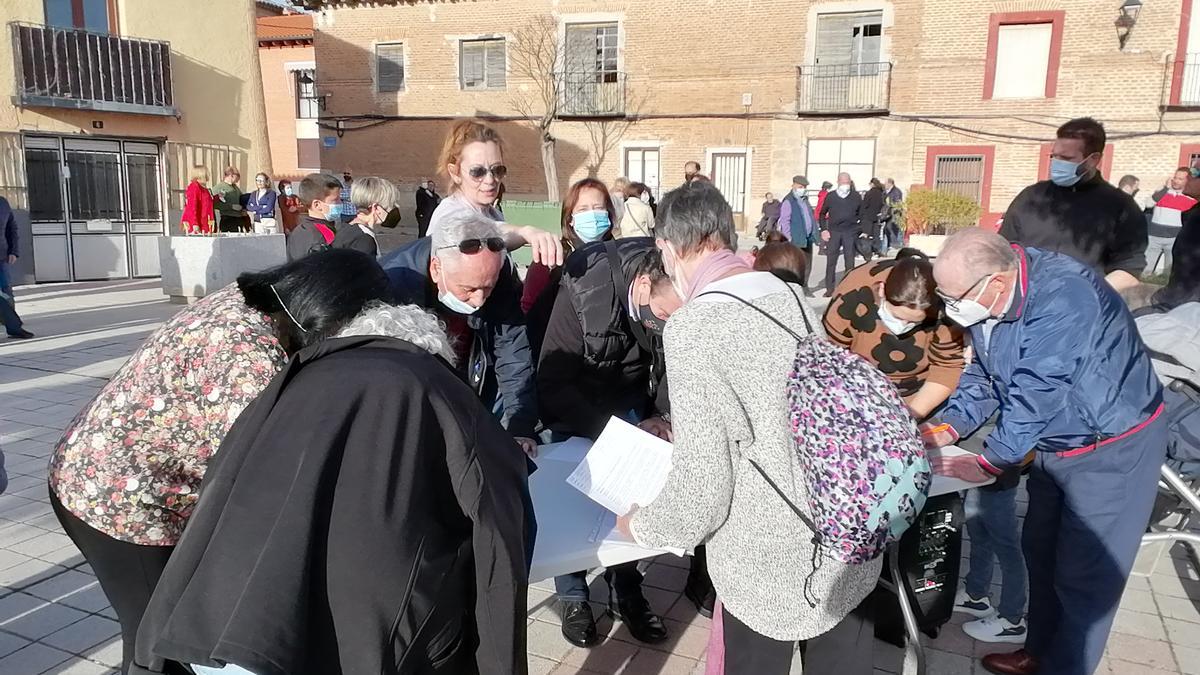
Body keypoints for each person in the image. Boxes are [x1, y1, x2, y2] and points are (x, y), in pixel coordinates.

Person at [132, 254, 532, 675]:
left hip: (223, 627)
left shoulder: (295, 377)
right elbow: (502, 508)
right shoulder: (434, 385)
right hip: (361, 641)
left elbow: (221, 483)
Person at [48, 250, 392, 674]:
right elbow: (268, 472)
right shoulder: (248, 359)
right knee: (154, 640)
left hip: (116, 469)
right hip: (117, 500)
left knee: (167, 630)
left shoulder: (258, 299)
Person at [619, 181, 881, 675]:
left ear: (666, 250)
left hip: (771, 561)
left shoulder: (694, 327)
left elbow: (704, 486)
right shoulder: (791, 296)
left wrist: (641, 526)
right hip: (847, 532)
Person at [924, 228, 1165, 675]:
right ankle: (1039, 653)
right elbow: (985, 380)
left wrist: (993, 459)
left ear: (994, 283)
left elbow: (1038, 389)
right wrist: (943, 429)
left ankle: (1066, 666)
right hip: (1056, 444)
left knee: (1084, 577)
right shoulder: (990, 298)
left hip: (1110, 447)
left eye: (953, 296)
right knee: (1041, 551)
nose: (949, 307)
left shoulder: (1063, 295)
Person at [538, 238, 685, 648]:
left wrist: (662, 414)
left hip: (630, 399)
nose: (663, 324)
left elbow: (673, 361)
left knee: (631, 499)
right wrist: (606, 431)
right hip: (576, 403)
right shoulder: (585, 287)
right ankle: (573, 596)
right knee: (573, 501)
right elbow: (552, 378)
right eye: (660, 315)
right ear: (641, 285)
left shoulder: (673, 297)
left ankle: (627, 587)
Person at [379, 209, 539, 457]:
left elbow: (512, 349)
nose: (479, 300)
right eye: (469, 289)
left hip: (472, 379)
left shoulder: (493, 270)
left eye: (488, 288)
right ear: (436, 268)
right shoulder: (393, 285)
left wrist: (520, 425)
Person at [999, 117, 1147, 292]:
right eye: (1055, 156)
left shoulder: (1122, 208)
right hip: (1024, 302)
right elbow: (1002, 250)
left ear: (1093, 159)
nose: (1057, 163)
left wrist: (1088, 297)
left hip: (1083, 307)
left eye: (1067, 158)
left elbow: (1128, 270)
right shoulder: (1030, 197)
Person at [822, 249, 966, 419]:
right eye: (897, 316)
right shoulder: (854, 292)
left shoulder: (944, 310)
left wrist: (909, 416)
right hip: (854, 388)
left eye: (914, 322)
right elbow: (828, 356)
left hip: (916, 393)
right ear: (882, 290)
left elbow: (947, 367)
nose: (903, 326)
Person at [425, 119, 562, 267]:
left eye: (497, 170)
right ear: (455, 173)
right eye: (477, 172)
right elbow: (480, 233)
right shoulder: (449, 213)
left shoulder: (493, 214)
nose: (490, 180)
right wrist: (525, 232)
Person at [522, 178, 617, 322]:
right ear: (570, 218)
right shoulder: (551, 256)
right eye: (583, 209)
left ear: (608, 213)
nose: (592, 214)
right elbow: (529, 306)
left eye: (598, 207)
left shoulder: (620, 254)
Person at [1153, 162, 1200, 309]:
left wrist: (1168, 299)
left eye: (1194, 173)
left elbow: (1190, 273)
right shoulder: (1194, 214)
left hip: (1187, 310)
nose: (1188, 179)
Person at [1145, 167, 1198, 276]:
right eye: (1175, 177)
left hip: (1174, 239)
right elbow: (1148, 204)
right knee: (1145, 271)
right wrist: (1165, 189)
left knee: (1170, 273)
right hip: (1154, 237)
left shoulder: (1191, 200)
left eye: (1180, 179)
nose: (1176, 181)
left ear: (1187, 181)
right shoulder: (1162, 192)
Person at [331, 175, 402, 257]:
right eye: (390, 205)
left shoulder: (345, 227)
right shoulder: (364, 240)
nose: (391, 210)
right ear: (375, 208)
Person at [819, 172, 864, 293]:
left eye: (847, 182)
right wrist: (824, 229)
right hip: (834, 232)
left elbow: (862, 213)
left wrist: (859, 229)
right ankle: (829, 288)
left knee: (849, 261)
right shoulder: (831, 197)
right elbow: (822, 214)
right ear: (838, 182)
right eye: (843, 182)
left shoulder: (856, 196)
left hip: (850, 232)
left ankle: (848, 287)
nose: (845, 185)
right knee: (831, 261)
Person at [285, 173, 342, 261]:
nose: (340, 203)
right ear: (317, 205)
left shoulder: (298, 230)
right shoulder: (323, 235)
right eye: (335, 200)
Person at [777, 176, 818, 289]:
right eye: (800, 187)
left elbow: (810, 216)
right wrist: (788, 237)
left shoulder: (805, 200)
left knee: (808, 263)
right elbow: (785, 220)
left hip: (807, 237)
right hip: (796, 238)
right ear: (794, 185)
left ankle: (805, 286)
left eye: (804, 187)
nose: (803, 189)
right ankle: (795, 287)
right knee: (796, 264)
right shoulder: (789, 200)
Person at [1, 195, 33, 339]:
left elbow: (11, 228)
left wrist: (14, 250)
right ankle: (14, 326)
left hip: (1, 257)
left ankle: (13, 328)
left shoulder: (2, 203)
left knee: (6, 293)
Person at [213, 166, 249, 233]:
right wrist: (231, 206)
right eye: (237, 176)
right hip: (227, 219)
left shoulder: (235, 188)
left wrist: (243, 208)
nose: (238, 179)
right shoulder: (219, 187)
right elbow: (214, 204)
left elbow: (241, 199)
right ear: (231, 175)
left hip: (239, 218)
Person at [181, 167, 215, 235]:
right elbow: (192, 206)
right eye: (206, 174)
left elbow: (207, 202)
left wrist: (217, 197)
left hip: (206, 223)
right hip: (197, 224)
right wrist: (194, 223)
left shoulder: (204, 188)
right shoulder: (194, 187)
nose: (208, 176)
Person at [863, 178, 887, 257]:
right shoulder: (881, 193)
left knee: (867, 234)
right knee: (876, 235)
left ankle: (867, 251)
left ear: (872, 184)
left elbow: (865, 205)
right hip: (878, 216)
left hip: (868, 216)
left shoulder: (869, 193)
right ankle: (876, 251)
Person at [881, 178, 905, 251]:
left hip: (894, 213)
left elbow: (897, 203)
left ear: (890, 183)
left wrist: (890, 207)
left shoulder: (896, 191)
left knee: (894, 229)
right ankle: (890, 244)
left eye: (885, 184)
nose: (884, 185)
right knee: (888, 229)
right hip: (887, 213)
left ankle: (896, 245)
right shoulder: (886, 191)